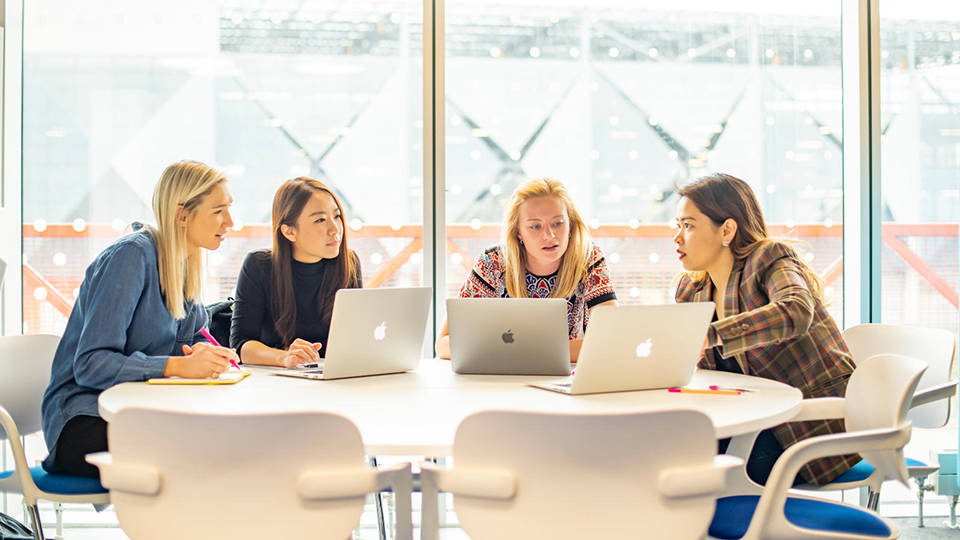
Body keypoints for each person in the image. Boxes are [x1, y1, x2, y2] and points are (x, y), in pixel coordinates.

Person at [41, 160, 240, 479]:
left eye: (229, 208)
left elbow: (190, 338)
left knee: (223, 442)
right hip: (83, 420)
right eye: (218, 211)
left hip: (136, 411)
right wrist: (177, 366)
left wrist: (203, 352)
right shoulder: (131, 257)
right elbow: (91, 364)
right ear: (182, 216)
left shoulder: (184, 265)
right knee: (202, 453)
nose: (230, 221)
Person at [672, 172, 858, 486]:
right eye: (677, 225)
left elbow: (796, 310)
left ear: (727, 230)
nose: (677, 238)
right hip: (749, 421)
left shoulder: (769, 258)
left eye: (688, 226)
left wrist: (714, 334)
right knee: (664, 451)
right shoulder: (691, 291)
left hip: (810, 426)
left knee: (698, 473)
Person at [435, 177, 618, 362]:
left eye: (558, 223)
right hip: (503, 374)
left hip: (560, 375)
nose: (549, 235)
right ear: (519, 232)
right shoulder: (493, 262)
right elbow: (443, 343)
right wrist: (537, 353)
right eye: (535, 226)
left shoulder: (588, 258)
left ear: (570, 224)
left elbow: (610, 340)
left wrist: (519, 352)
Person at [230, 177, 361, 367]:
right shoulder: (259, 266)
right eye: (320, 220)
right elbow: (241, 346)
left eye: (337, 216)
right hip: (275, 377)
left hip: (333, 374)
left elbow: (356, 337)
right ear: (289, 232)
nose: (335, 229)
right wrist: (284, 357)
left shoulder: (349, 263)